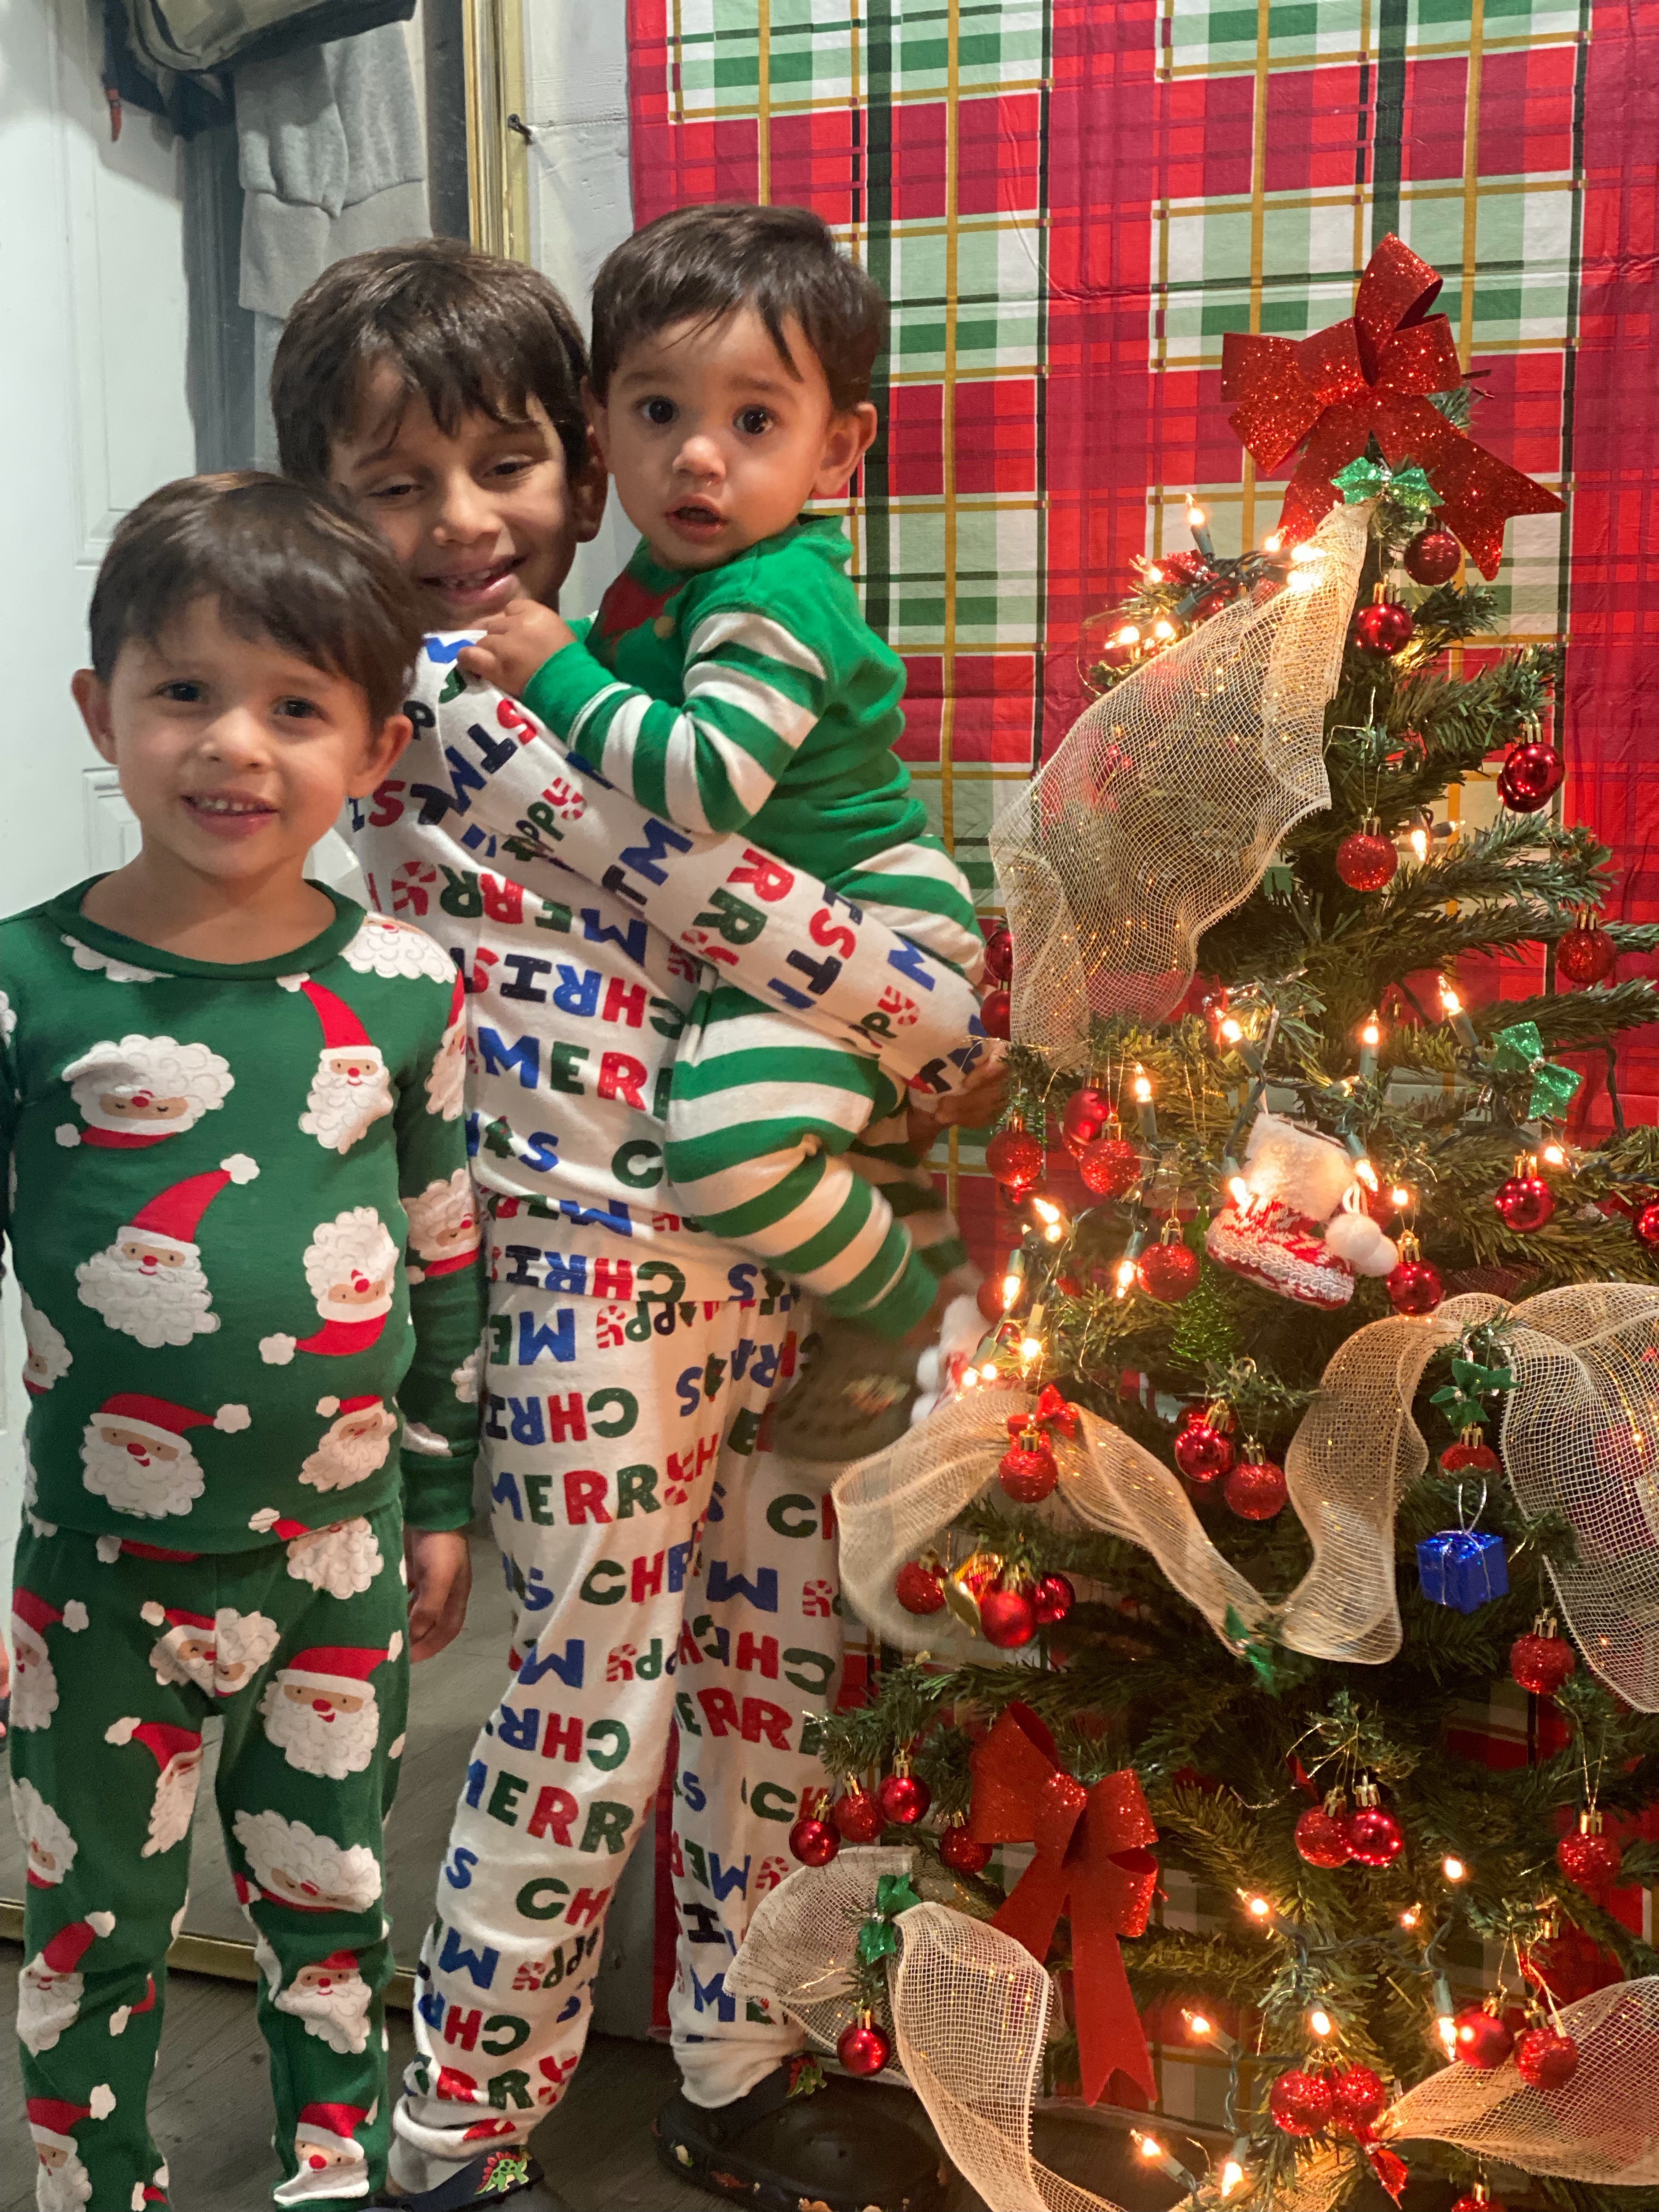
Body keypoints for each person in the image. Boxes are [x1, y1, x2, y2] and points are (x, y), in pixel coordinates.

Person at [272, 238, 990, 2212]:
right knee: (585, 1720)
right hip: (587, 1280)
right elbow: (732, 900)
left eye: (504, 467)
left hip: (759, 1252)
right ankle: (457, 2141)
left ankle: (739, 2067)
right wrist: (941, 1016)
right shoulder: (426, 706)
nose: (458, 522)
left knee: (772, 1687)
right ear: (326, 506)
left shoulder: (632, 654)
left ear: (581, 470)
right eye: (393, 485)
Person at [0, 474, 483, 2211]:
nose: (234, 745)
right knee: (92, 1929)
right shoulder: (29, 987)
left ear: (372, 746)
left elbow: (444, 1257)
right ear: (101, 711)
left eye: (295, 708)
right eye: (186, 692)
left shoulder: (407, 987)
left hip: (337, 1559)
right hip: (99, 1577)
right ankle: (90, 2189)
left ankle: (330, 2176)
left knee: (335, 1910)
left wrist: (442, 1496)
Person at [456, 201, 987, 1310]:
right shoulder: (677, 578)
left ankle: (894, 1318)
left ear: (835, 450)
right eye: (660, 411)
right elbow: (632, 711)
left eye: (755, 421)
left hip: (868, 905)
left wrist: (557, 674)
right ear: (600, 428)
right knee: (859, 1155)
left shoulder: (769, 597)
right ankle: (948, 1317)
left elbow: (704, 784)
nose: (698, 456)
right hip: (789, 908)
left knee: (729, 1155)